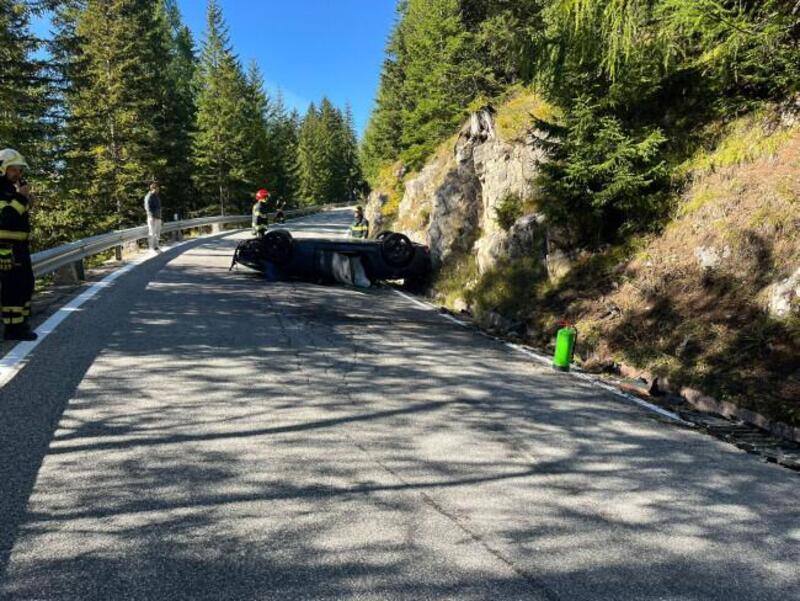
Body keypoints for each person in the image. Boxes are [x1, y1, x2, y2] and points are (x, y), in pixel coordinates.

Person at [0, 149, 37, 341]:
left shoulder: (10, 190)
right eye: (14, 170)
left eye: (20, 170)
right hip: (7, 248)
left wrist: (26, 201)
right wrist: (21, 198)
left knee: (25, 285)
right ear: (2, 169)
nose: (18, 174)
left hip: (20, 248)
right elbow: (5, 220)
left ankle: (22, 325)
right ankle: (13, 329)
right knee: (13, 290)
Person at [144, 182, 163, 251]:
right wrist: (152, 216)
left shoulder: (156, 197)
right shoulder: (149, 196)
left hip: (158, 217)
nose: (158, 190)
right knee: (152, 233)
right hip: (152, 218)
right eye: (157, 189)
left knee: (157, 233)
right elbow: (147, 207)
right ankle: (151, 247)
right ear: (153, 189)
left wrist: (160, 217)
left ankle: (156, 246)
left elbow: (159, 208)